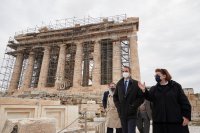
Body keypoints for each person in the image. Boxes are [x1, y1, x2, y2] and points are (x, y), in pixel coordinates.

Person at [138, 68, 191, 133]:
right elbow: (149, 97)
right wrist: (144, 90)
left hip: (175, 120)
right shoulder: (154, 89)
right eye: (155, 75)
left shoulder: (176, 86)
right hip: (160, 121)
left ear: (164, 76)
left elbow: (184, 102)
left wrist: (186, 116)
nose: (155, 76)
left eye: (157, 75)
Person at [113, 66, 144, 133]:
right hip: (122, 113)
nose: (124, 72)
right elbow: (115, 96)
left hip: (132, 113)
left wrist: (133, 106)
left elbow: (141, 97)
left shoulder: (136, 83)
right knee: (124, 131)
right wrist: (118, 106)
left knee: (131, 131)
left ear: (130, 73)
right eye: (123, 71)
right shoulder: (119, 83)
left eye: (126, 71)